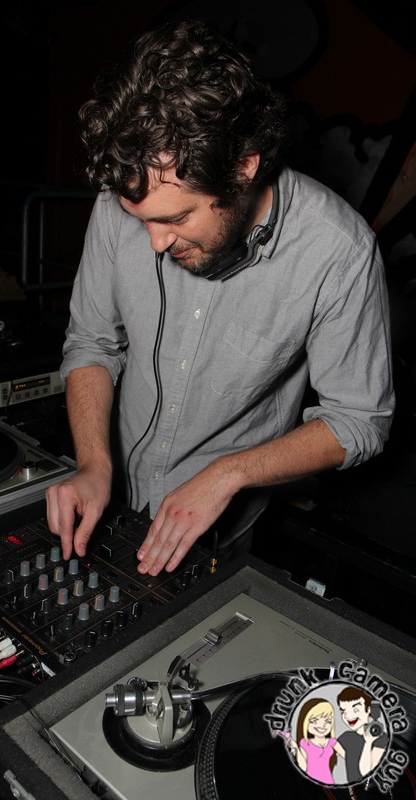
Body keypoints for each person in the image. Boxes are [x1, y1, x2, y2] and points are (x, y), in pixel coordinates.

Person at [46, 20, 394, 577]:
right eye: (141, 221)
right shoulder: (126, 195)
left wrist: (230, 474)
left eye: (177, 218)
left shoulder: (338, 251)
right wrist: (92, 463)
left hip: (218, 536)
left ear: (242, 168)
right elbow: (92, 343)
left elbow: (358, 420)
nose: (155, 243)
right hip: (114, 505)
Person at [337, 687, 388, 783]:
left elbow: (366, 772)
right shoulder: (346, 736)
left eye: (356, 710)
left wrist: (368, 742)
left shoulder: (381, 738)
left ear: (368, 710)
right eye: (343, 711)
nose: (348, 716)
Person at [291, 698, 345, 784]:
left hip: (329, 782)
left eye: (328, 721)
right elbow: (303, 768)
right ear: (305, 722)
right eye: (314, 721)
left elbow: (348, 757)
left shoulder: (332, 742)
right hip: (310, 783)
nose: (321, 725)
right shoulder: (305, 743)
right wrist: (296, 748)